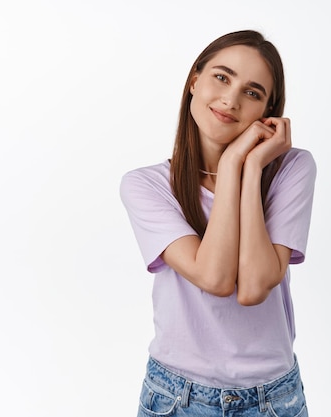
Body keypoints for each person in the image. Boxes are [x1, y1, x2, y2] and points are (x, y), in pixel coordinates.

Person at [120, 30, 316, 417]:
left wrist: (249, 165)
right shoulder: (145, 186)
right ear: (195, 80)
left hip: (272, 399)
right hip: (176, 397)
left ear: (267, 113)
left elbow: (254, 287)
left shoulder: (293, 169)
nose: (231, 99)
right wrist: (231, 166)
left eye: (253, 92)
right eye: (222, 77)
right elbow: (215, 277)